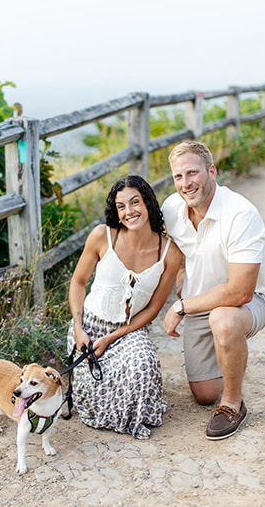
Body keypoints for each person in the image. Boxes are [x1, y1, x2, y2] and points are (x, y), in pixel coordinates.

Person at [162, 140, 265, 441]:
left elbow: (240, 292)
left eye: (192, 173)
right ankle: (225, 363)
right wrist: (184, 270)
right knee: (204, 393)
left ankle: (233, 404)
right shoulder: (171, 209)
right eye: (178, 176)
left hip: (249, 303)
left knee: (224, 322)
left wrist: (180, 306)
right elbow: (174, 246)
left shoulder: (240, 214)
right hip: (200, 303)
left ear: (211, 171)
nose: (186, 184)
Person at [66, 175, 182, 439]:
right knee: (99, 384)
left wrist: (113, 337)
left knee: (144, 364)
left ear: (148, 203)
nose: (129, 211)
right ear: (116, 212)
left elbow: (152, 309)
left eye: (134, 202)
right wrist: (78, 327)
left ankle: (133, 414)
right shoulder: (102, 236)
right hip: (90, 329)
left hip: (129, 330)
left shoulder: (170, 252)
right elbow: (78, 282)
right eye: (121, 206)